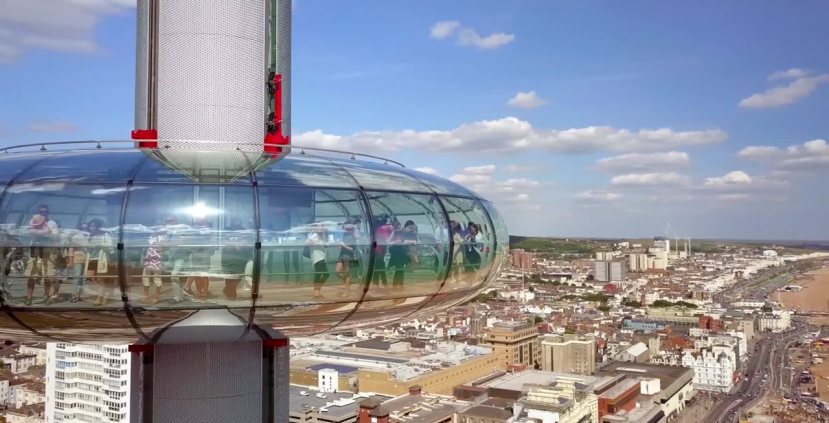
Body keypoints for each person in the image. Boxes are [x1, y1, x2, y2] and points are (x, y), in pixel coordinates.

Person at [25, 205, 60, 306]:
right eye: (41, 212)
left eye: (45, 212)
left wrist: (45, 233)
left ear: (48, 213)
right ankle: (29, 297)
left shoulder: (52, 223)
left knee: (48, 275)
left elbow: (55, 237)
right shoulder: (33, 221)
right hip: (35, 251)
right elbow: (29, 233)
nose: (43, 214)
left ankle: (47, 296)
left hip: (48, 251)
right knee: (31, 275)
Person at [388, 220, 418, 300]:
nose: (411, 229)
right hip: (398, 253)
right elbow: (398, 241)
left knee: (400, 270)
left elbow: (415, 241)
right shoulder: (399, 232)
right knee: (399, 269)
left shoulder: (408, 233)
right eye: (410, 227)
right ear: (406, 227)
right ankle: (398, 286)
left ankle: (398, 286)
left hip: (402, 253)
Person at [88, 219, 114, 306]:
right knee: (92, 277)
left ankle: (100, 297)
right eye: (90, 226)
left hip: (101, 258)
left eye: (92, 226)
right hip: (92, 258)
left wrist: (101, 245)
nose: (91, 228)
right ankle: (104, 292)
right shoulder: (90, 236)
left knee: (100, 278)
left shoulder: (105, 235)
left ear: (97, 227)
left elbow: (110, 248)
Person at [221, 221, 247, 301]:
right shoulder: (226, 229)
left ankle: (228, 290)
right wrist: (235, 244)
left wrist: (237, 245)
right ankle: (231, 294)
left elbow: (245, 242)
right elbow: (222, 241)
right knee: (228, 277)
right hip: (227, 257)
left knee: (238, 276)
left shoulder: (243, 230)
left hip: (239, 258)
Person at [142, 228, 166, 304]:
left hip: (157, 260)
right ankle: (146, 297)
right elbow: (148, 244)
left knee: (157, 279)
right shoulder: (151, 236)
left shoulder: (164, 237)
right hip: (148, 259)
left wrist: (157, 241)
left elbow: (160, 247)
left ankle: (157, 297)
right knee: (145, 278)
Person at [68, 222, 89, 303]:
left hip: (86, 259)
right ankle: (74, 295)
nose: (84, 229)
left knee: (83, 279)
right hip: (77, 258)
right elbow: (71, 249)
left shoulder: (88, 236)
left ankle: (80, 295)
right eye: (83, 228)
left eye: (86, 227)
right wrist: (70, 260)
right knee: (77, 278)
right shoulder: (75, 237)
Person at [336, 220, 358, 298]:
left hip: (348, 256)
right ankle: (347, 281)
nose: (345, 230)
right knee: (337, 272)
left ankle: (347, 291)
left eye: (347, 228)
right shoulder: (343, 236)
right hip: (342, 255)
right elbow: (341, 246)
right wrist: (339, 245)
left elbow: (352, 249)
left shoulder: (352, 237)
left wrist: (343, 245)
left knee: (346, 273)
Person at [307, 224, 328, 299]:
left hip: (321, 256)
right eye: (320, 226)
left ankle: (317, 291)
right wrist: (317, 243)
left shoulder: (321, 235)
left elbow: (325, 244)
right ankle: (316, 292)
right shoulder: (314, 234)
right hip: (317, 257)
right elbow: (307, 242)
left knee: (321, 274)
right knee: (324, 274)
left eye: (322, 226)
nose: (321, 227)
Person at [372, 216, 393, 289]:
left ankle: (379, 285)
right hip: (378, 252)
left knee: (379, 269)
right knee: (379, 268)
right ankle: (382, 285)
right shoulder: (377, 231)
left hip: (378, 252)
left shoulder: (378, 231)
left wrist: (379, 251)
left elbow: (381, 242)